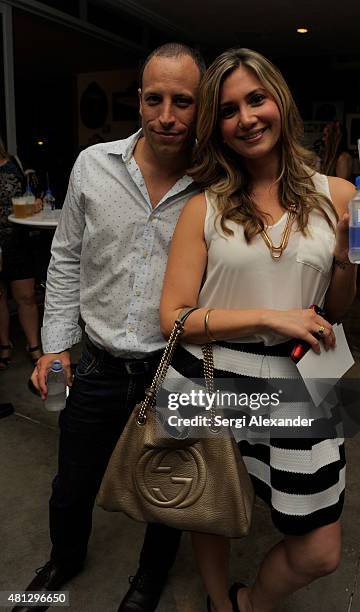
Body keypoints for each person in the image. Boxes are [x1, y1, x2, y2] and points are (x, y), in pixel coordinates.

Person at [160, 48, 360, 612]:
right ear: (218, 126)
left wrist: (344, 257)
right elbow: (174, 318)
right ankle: (218, 600)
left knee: (319, 548)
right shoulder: (203, 208)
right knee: (206, 505)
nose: (247, 118)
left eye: (256, 99)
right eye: (230, 109)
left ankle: (251, 603)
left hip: (298, 381)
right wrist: (268, 316)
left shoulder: (337, 194)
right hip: (209, 377)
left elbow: (335, 311)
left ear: (280, 102)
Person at [14, 43, 204, 612]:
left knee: (167, 487)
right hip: (94, 363)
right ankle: (65, 557)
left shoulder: (214, 184)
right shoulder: (92, 165)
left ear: (200, 106)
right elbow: (66, 258)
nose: (166, 114)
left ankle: (148, 579)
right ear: (138, 100)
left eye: (183, 101)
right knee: (70, 485)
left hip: (171, 368)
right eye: (154, 98)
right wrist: (54, 347)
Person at [0, 137, 42, 369]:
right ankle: (4, 345)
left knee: (26, 296)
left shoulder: (15, 162)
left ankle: (33, 345)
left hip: (18, 241)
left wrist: (36, 203)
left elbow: (34, 194)